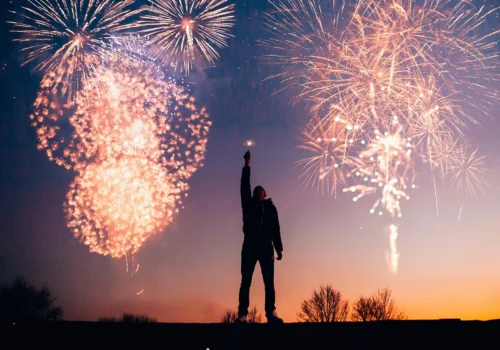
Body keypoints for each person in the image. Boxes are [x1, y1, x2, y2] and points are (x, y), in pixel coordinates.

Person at [236, 150, 284, 324]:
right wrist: (247, 164)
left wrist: (279, 248)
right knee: (246, 280)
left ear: (265, 194)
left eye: (260, 190)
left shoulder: (270, 208)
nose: (258, 191)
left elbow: (276, 229)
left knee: (269, 282)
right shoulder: (248, 205)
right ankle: (242, 314)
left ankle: (271, 312)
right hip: (249, 244)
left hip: (265, 246)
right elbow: (244, 185)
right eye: (256, 190)